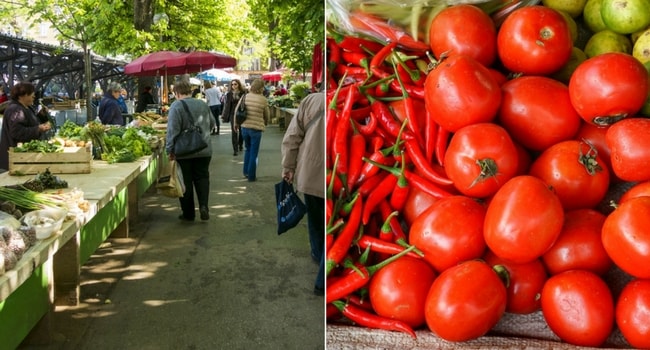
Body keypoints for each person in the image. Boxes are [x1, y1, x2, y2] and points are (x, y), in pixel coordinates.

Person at [280, 89, 325, 296]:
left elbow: (292, 137)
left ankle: (318, 257)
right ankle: (322, 275)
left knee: (316, 219)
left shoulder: (311, 101)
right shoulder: (353, 97)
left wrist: (288, 167)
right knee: (334, 226)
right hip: (341, 176)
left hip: (311, 172)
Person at [165, 79, 215, 222]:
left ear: (176, 92)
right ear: (190, 91)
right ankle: (204, 206)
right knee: (202, 177)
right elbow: (211, 123)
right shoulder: (202, 104)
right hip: (204, 148)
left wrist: (169, 150)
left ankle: (188, 213)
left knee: (185, 181)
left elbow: (172, 131)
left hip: (184, 151)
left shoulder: (176, 106)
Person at [0, 81, 53, 171]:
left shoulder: (26, 107)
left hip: (23, 158)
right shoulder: (15, 109)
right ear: (22, 95)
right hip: (16, 160)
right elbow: (17, 132)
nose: (34, 96)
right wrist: (38, 129)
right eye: (31, 93)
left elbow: (31, 122)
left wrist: (42, 115)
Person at [235, 78, 269, 182]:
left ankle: (245, 172)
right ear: (261, 88)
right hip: (256, 129)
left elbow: (237, 110)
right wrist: (265, 123)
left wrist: (236, 124)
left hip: (245, 127)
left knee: (247, 150)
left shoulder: (245, 96)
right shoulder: (263, 99)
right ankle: (251, 176)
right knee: (254, 152)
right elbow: (267, 115)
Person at [221, 79, 246, 156]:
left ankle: (240, 144)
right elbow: (227, 105)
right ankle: (235, 149)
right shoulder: (229, 94)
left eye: (235, 84)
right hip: (232, 114)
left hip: (241, 114)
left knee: (242, 131)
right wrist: (224, 115)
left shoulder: (243, 93)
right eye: (232, 84)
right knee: (234, 131)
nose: (233, 86)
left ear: (238, 84)